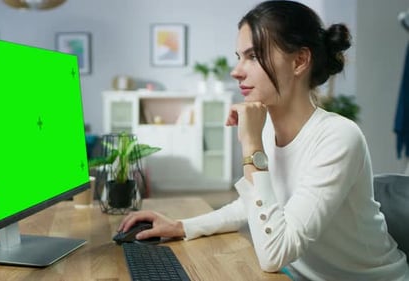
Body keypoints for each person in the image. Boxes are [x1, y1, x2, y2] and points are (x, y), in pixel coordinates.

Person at [118, 1, 409, 280]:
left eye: (253, 56)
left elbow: (275, 254)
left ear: (300, 60)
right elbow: (256, 205)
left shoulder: (339, 137)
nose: (236, 71)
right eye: (239, 56)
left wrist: (251, 147)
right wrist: (182, 226)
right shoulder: (268, 129)